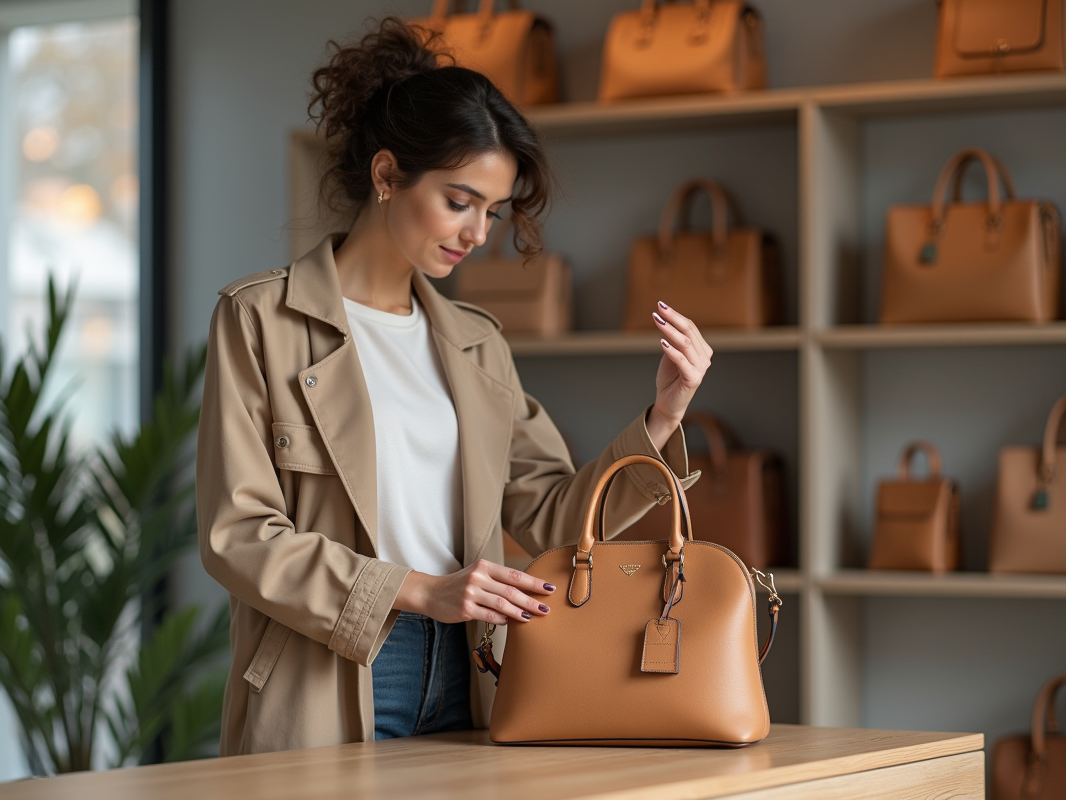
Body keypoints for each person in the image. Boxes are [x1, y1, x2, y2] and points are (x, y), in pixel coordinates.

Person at [195, 16, 714, 757]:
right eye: (459, 201)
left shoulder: (476, 341)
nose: (477, 234)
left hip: (476, 667)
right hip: (336, 667)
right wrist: (415, 590)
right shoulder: (259, 319)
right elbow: (236, 536)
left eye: (493, 212)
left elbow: (552, 517)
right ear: (385, 176)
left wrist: (664, 414)